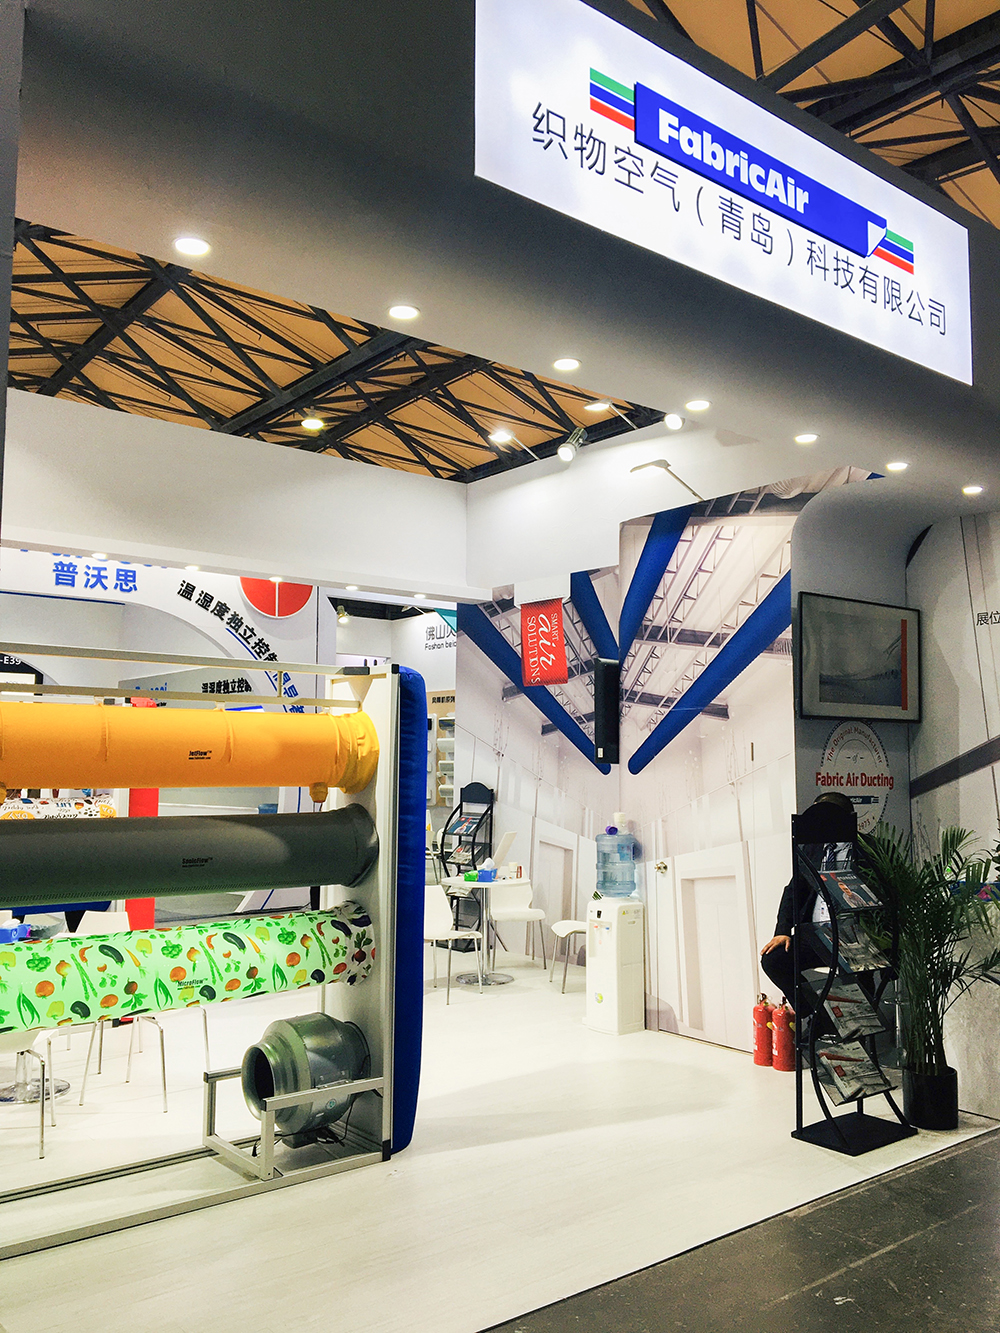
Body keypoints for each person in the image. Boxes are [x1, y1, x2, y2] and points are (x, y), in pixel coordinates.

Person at [759, 791, 855, 1013]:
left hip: (854, 938)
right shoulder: (813, 848)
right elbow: (794, 890)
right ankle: (816, 1015)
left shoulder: (869, 849)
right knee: (773, 960)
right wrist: (782, 931)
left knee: (858, 981)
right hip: (816, 936)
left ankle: (855, 1024)